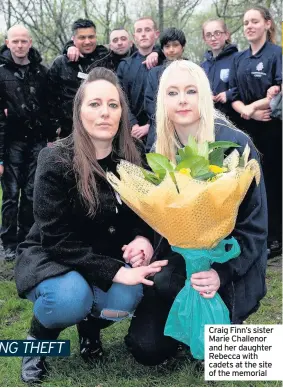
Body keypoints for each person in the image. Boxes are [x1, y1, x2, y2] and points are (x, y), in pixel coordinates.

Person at [15, 67, 168, 384]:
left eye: (113, 105)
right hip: (55, 255)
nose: (105, 113)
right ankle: (37, 342)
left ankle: (90, 329)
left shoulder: (134, 154)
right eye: (95, 104)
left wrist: (144, 239)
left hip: (107, 254)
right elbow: (56, 239)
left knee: (125, 302)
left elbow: (143, 211)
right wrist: (118, 271)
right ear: (79, 111)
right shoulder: (55, 159)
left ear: (122, 112)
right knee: (71, 298)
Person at [125, 60, 268, 366]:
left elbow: (254, 226)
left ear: (203, 94)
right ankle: (190, 331)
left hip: (229, 266)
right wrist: (142, 237)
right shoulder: (158, 146)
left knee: (227, 359)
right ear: (163, 100)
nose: (183, 99)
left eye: (191, 91)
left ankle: (227, 323)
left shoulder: (234, 145)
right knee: (145, 348)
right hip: (179, 264)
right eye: (173, 92)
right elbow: (151, 208)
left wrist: (220, 273)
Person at [229, 6, 282, 257]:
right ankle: (253, 234)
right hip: (246, 126)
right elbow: (234, 96)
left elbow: (278, 88)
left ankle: (275, 238)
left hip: (271, 128)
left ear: (267, 24)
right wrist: (247, 111)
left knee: (271, 182)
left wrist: (255, 107)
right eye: (246, 22)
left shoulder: (276, 54)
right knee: (250, 181)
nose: (249, 26)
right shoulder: (239, 58)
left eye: (255, 21)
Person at [0, 25, 55, 262]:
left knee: (33, 193)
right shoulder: (1, 72)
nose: (20, 45)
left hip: (37, 142)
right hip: (10, 142)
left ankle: (26, 239)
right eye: (15, 41)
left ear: (30, 42)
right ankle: (8, 242)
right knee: (11, 195)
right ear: (8, 42)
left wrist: (52, 137)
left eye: (24, 41)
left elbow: (51, 106)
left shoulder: (42, 71)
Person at [47, 19, 109, 138]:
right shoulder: (61, 63)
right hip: (68, 130)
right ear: (73, 39)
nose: (87, 41)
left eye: (91, 37)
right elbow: (49, 96)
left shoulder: (105, 59)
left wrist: (156, 52)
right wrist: (54, 125)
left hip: (99, 127)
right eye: (82, 38)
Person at [117, 17, 163, 143]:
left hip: (160, 131)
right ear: (134, 36)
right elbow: (121, 98)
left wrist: (150, 125)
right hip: (132, 132)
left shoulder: (165, 63)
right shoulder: (125, 65)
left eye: (147, 30)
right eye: (139, 31)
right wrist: (133, 124)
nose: (143, 34)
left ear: (156, 34)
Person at [144, 27, 186, 151]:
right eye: (167, 46)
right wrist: (168, 117)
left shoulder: (193, 71)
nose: (171, 50)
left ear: (183, 47)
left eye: (175, 45)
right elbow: (149, 102)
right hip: (159, 130)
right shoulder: (154, 73)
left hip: (185, 129)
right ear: (162, 49)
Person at [201, 18, 239, 124]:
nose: (213, 38)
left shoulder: (237, 59)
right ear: (204, 39)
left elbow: (245, 88)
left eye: (217, 33)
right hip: (209, 120)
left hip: (234, 119)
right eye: (208, 35)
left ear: (226, 35)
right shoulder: (203, 66)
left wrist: (228, 94)